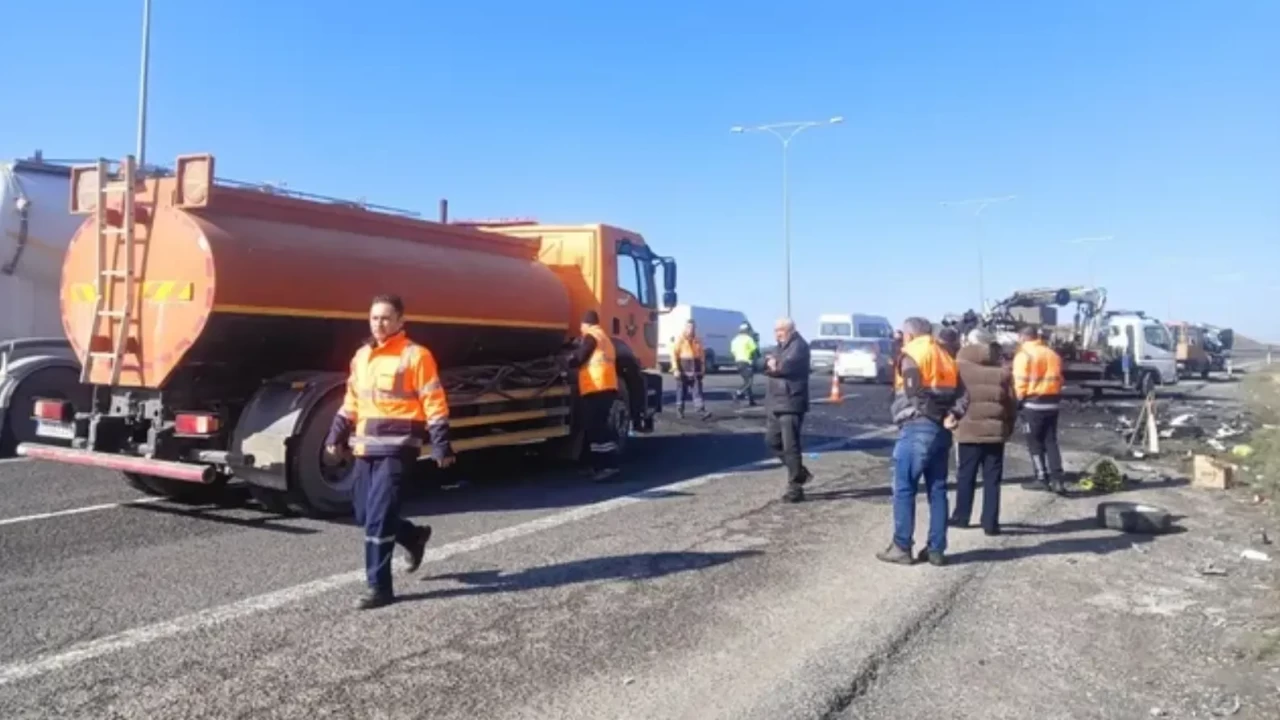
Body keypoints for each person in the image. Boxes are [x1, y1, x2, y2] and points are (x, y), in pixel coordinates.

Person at [326, 293, 455, 610]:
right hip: (365, 446)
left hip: (398, 448)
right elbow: (352, 401)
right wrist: (336, 433)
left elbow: (434, 402)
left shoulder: (416, 356)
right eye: (374, 318)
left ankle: (379, 588)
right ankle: (412, 537)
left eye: (385, 318)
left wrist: (441, 443)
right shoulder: (361, 357)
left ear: (400, 321)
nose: (379, 323)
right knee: (364, 515)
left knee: (379, 519)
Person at [876, 316, 968, 567]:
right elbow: (963, 394)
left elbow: (914, 393)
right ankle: (937, 549)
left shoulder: (911, 355)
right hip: (941, 433)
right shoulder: (945, 355)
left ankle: (902, 546)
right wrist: (952, 415)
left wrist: (938, 416)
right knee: (937, 490)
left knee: (904, 488)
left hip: (918, 427)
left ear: (909, 335)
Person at [950, 328, 1017, 536]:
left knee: (965, 475)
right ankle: (990, 522)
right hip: (995, 433)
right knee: (992, 479)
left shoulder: (958, 368)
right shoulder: (1003, 372)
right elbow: (1011, 405)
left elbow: (951, 398)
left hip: (967, 430)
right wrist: (1006, 428)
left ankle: (961, 517)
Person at [1013, 325, 1067, 494]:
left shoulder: (1024, 355)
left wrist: (1018, 402)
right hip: (1052, 403)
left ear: (1023, 337)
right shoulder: (1052, 354)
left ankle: (1041, 478)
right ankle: (1057, 480)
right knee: (1051, 441)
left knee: (1034, 443)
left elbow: (1020, 381)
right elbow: (1061, 379)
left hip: (1032, 404)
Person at [569, 310, 621, 482]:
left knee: (597, 429)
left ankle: (607, 466)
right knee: (597, 427)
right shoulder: (605, 338)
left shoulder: (591, 336)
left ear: (587, 324)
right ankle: (592, 464)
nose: (580, 328)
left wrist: (570, 359)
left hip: (596, 387)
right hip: (607, 387)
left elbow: (581, 357)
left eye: (581, 325)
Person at [764, 318, 812, 502]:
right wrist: (770, 363)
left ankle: (795, 488)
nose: (777, 333)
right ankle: (799, 472)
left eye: (781, 329)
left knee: (790, 446)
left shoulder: (799, 346)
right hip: (775, 402)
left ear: (791, 329)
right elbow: (763, 362)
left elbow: (784, 367)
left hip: (791, 402)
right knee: (771, 442)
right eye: (776, 330)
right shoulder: (779, 347)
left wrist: (774, 365)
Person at [671, 320, 712, 420]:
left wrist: (702, 369)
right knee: (681, 391)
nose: (691, 329)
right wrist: (676, 369)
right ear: (685, 328)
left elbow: (702, 356)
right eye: (689, 327)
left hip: (695, 370)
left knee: (698, 391)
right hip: (683, 370)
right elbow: (673, 355)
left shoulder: (697, 340)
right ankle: (679, 411)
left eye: (692, 327)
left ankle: (701, 411)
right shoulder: (680, 340)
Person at [730, 322, 760, 407]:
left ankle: (751, 400)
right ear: (747, 330)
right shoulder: (748, 339)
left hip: (738, 362)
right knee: (749, 382)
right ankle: (737, 393)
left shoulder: (734, 340)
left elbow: (733, 352)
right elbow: (754, 351)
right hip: (747, 362)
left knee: (746, 380)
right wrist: (756, 358)